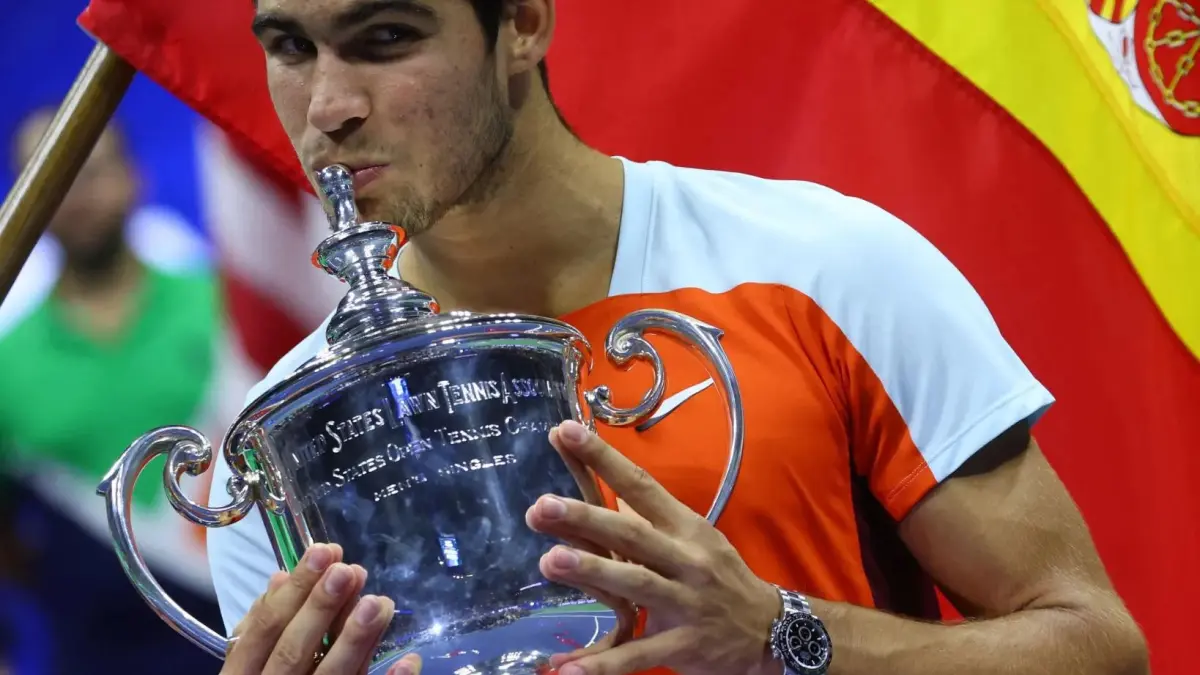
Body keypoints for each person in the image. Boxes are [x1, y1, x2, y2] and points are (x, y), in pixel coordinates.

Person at [206, 1, 1150, 674]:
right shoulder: (287, 439)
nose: (328, 106)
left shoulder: (823, 265)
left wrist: (782, 633)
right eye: (290, 47)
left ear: (523, 23)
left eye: (385, 38)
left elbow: (1096, 644)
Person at [0, 110, 225, 675]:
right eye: (52, 176)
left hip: (252, 625)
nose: (76, 195)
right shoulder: (6, 362)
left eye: (92, 170)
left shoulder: (221, 306)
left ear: (134, 176)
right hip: (97, 650)